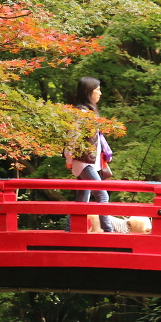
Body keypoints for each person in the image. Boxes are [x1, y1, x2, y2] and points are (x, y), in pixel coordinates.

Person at [64, 76, 114, 232]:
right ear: (88, 91)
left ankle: (69, 229)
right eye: (97, 89)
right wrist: (69, 158)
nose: (100, 93)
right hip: (84, 161)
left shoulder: (90, 112)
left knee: (82, 198)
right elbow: (72, 137)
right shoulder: (81, 113)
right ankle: (108, 231)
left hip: (88, 161)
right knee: (102, 195)